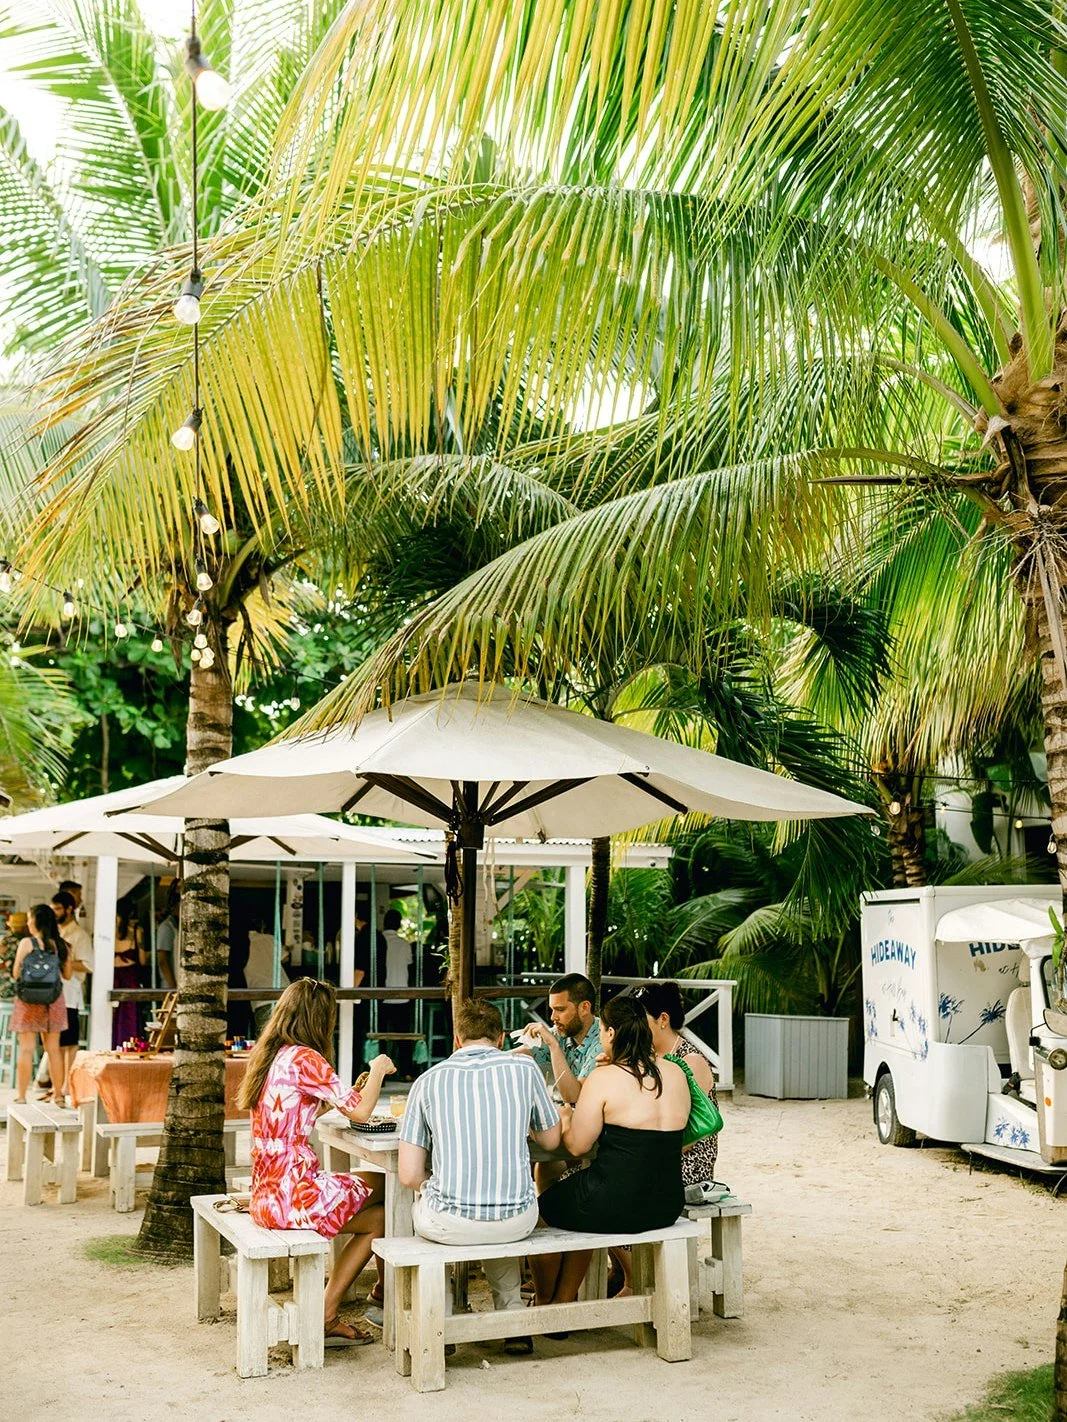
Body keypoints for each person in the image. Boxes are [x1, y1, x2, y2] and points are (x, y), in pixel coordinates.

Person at [235, 978, 396, 1345]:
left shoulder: (270, 1056)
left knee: (382, 1218)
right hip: (296, 1195)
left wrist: (348, 1092)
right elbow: (359, 1111)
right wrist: (377, 1069)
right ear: (318, 1019)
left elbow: (307, 1106)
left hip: (267, 1195)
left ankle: (332, 1309)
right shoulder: (306, 1058)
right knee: (392, 1182)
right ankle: (369, 1299)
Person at [398, 999, 561, 1354]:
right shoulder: (525, 1070)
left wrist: (439, 1178)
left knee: (433, 1206)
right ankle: (513, 1319)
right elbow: (551, 1139)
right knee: (497, 1212)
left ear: (458, 1039)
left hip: (450, 1224)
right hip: (518, 1219)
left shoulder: (428, 1081)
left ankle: (441, 1321)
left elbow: (409, 1174)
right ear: (501, 1037)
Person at [533, 994, 689, 1306]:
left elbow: (578, 1147)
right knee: (577, 1200)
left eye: (602, 1030)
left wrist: (565, 1117)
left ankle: (547, 1302)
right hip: (666, 1204)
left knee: (540, 1212)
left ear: (612, 1034)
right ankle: (563, 1300)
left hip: (612, 1203)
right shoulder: (675, 1072)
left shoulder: (603, 1078)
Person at [636, 980, 722, 1189]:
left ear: (663, 1019)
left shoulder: (691, 1061)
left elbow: (687, 1133)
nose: (634, 1025)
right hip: (652, 1150)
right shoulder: (645, 1056)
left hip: (687, 1160)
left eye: (639, 1019)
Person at [12, 903, 72, 1105]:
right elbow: (68, 975)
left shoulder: (26, 944)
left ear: (36, 921)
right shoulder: (61, 945)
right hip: (53, 1001)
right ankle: (58, 1096)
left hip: (28, 1000)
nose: (28, 922)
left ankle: (21, 1097)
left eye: (30, 918)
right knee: (53, 1049)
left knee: (27, 1049)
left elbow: (16, 973)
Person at [522, 973, 602, 1103]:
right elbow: (517, 1055)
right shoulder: (563, 1033)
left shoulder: (603, 1040)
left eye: (560, 1009)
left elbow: (574, 1097)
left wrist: (554, 1047)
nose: (553, 1017)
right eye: (552, 1010)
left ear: (584, 1008)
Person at [51, 890, 93, 1101]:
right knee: (54, 1043)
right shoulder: (52, 933)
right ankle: (56, 1085)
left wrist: (63, 963)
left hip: (71, 992)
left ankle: (68, 1084)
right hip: (53, 994)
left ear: (69, 909)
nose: (55, 912)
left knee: (69, 1043)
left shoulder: (79, 935)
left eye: (58, 908)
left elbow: (88, 965)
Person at [380, 908, 414, 1074]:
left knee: (381, 1038)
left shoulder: (378, 942)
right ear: (399, 925)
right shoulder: (404, 944)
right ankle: (407, 1072)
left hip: (380, 996)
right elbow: (409, 963)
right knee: (404, 1037)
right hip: (402, 995)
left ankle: (381, 1076)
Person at [111, 898, 146, 1048]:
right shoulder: (137, 931)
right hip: (130, 974)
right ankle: (130, 1044)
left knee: (112, 1013)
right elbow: (143, 960)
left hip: (113, 974)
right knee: (130, 1012)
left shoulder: (108, 930)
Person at [154, 884, 179, 991]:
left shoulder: (177, 927)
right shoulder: (167, 928)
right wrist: (173, 987)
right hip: (170, 987)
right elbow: (162, 960)